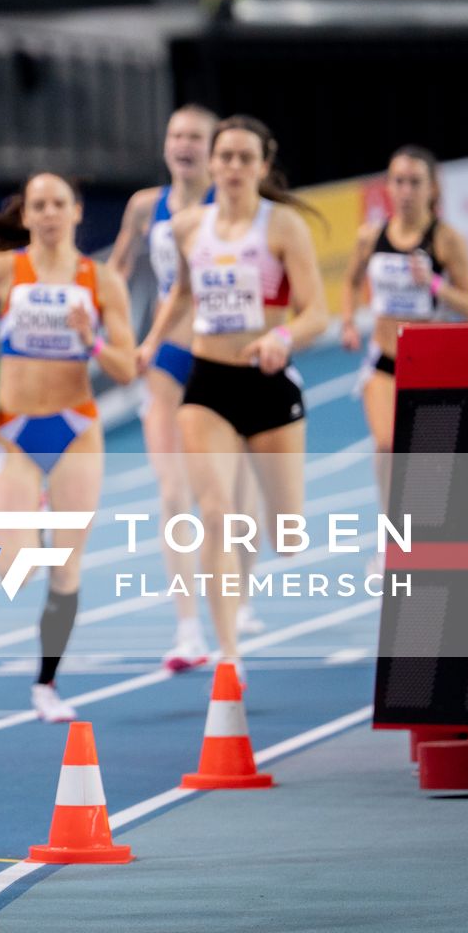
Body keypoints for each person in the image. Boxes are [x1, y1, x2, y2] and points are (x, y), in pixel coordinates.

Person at [141, 117, 328, 675]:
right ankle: (227, 654)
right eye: (226, 156)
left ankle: (277, 538)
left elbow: (317, 311)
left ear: (263, 167)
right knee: (216, 513)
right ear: (214, 163)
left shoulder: (283, 226)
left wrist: (282, 337)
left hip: (268, 384)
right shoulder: (188, 227)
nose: (234, 167)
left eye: (246, 158)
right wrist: (149, 344)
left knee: (288, 535)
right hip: (208, 384)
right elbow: (180, 295)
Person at [0, 175, 138, 722]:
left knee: (66, 568)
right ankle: (25, 514)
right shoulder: (3, 270)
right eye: (40, 205)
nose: (50, 213)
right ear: (26, 215)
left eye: (60, 203)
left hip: (76, 430)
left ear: (77, 212)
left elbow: (126, 370)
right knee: (12, 571)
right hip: (14, 430)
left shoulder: (101, 281)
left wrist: (92, 340)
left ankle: (47, 684)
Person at [109, 104, 223, 671]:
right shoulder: (143, 207)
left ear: (214, 148)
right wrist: (107, 325)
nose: (184, 145)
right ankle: (187, 629)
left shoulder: (229, 207)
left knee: (220, 497)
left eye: (195, 137)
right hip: (166, 355)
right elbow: (118, 272)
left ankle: (231, 607)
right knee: (173, 493)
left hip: (223, 357)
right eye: (176, 134)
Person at [341, 147, 468, 533]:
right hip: (384, 361)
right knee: (387, 447)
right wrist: (349, 322)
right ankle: (390, 536)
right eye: (398, 181)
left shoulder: (446, 240)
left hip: (431, 364)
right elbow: (351, 282)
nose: (406, 190)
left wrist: (434, 283)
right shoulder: (370, 236)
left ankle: (435, 529)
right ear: (387, 186)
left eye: (415, 182)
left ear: (432, 188)